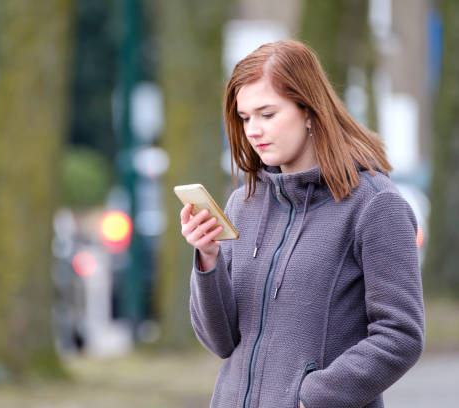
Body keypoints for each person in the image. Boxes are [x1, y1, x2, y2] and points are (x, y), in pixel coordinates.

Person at [180, 40, 424, 408]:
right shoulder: (244, 203)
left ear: (309, 111)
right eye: (245, 118)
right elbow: (222, 342)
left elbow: (401, 335)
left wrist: (313, 397)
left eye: (267, 114)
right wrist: (208, 259)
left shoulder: (375, 204)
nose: (253, 131)